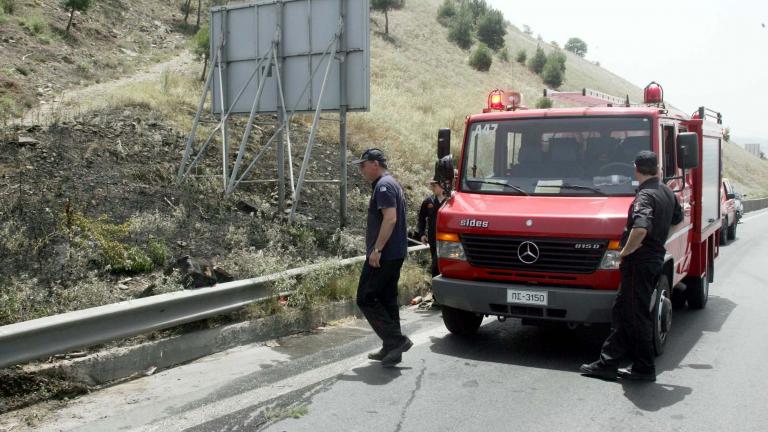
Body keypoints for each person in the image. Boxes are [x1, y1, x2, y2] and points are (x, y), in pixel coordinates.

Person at [580, 150, 683, 382]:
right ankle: (609, 362)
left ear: (636, 168)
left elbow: (640, 228)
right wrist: (661, 241)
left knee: (635, 316)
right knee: (625, 311)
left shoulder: (644, 196)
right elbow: (678, 219)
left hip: (639, 262)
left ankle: (643, 368)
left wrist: (624, 254)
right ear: (657, 168)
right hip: (653, 258)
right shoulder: (667, 191)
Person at [351, 148, 412, 368]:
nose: (361, 170)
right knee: (386, 299)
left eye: (363, 165)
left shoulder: (384, 186)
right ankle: (391, 348)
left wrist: (377, 250)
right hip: (394, 253)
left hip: (384, 255)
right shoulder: (390, 183)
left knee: (366, 297)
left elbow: (390, 219)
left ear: (375, 164)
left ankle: (396, 340)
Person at [417, 178, 447, 277]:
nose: (432, 188)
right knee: (435, 267)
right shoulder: (428, 201)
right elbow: (421, 218)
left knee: (438, 266)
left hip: (447, 241)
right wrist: (422, 234)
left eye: (434, 186)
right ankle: (436, 291)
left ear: (442, 185)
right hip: (433, 240)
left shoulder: (450, 201)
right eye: (431, 186)